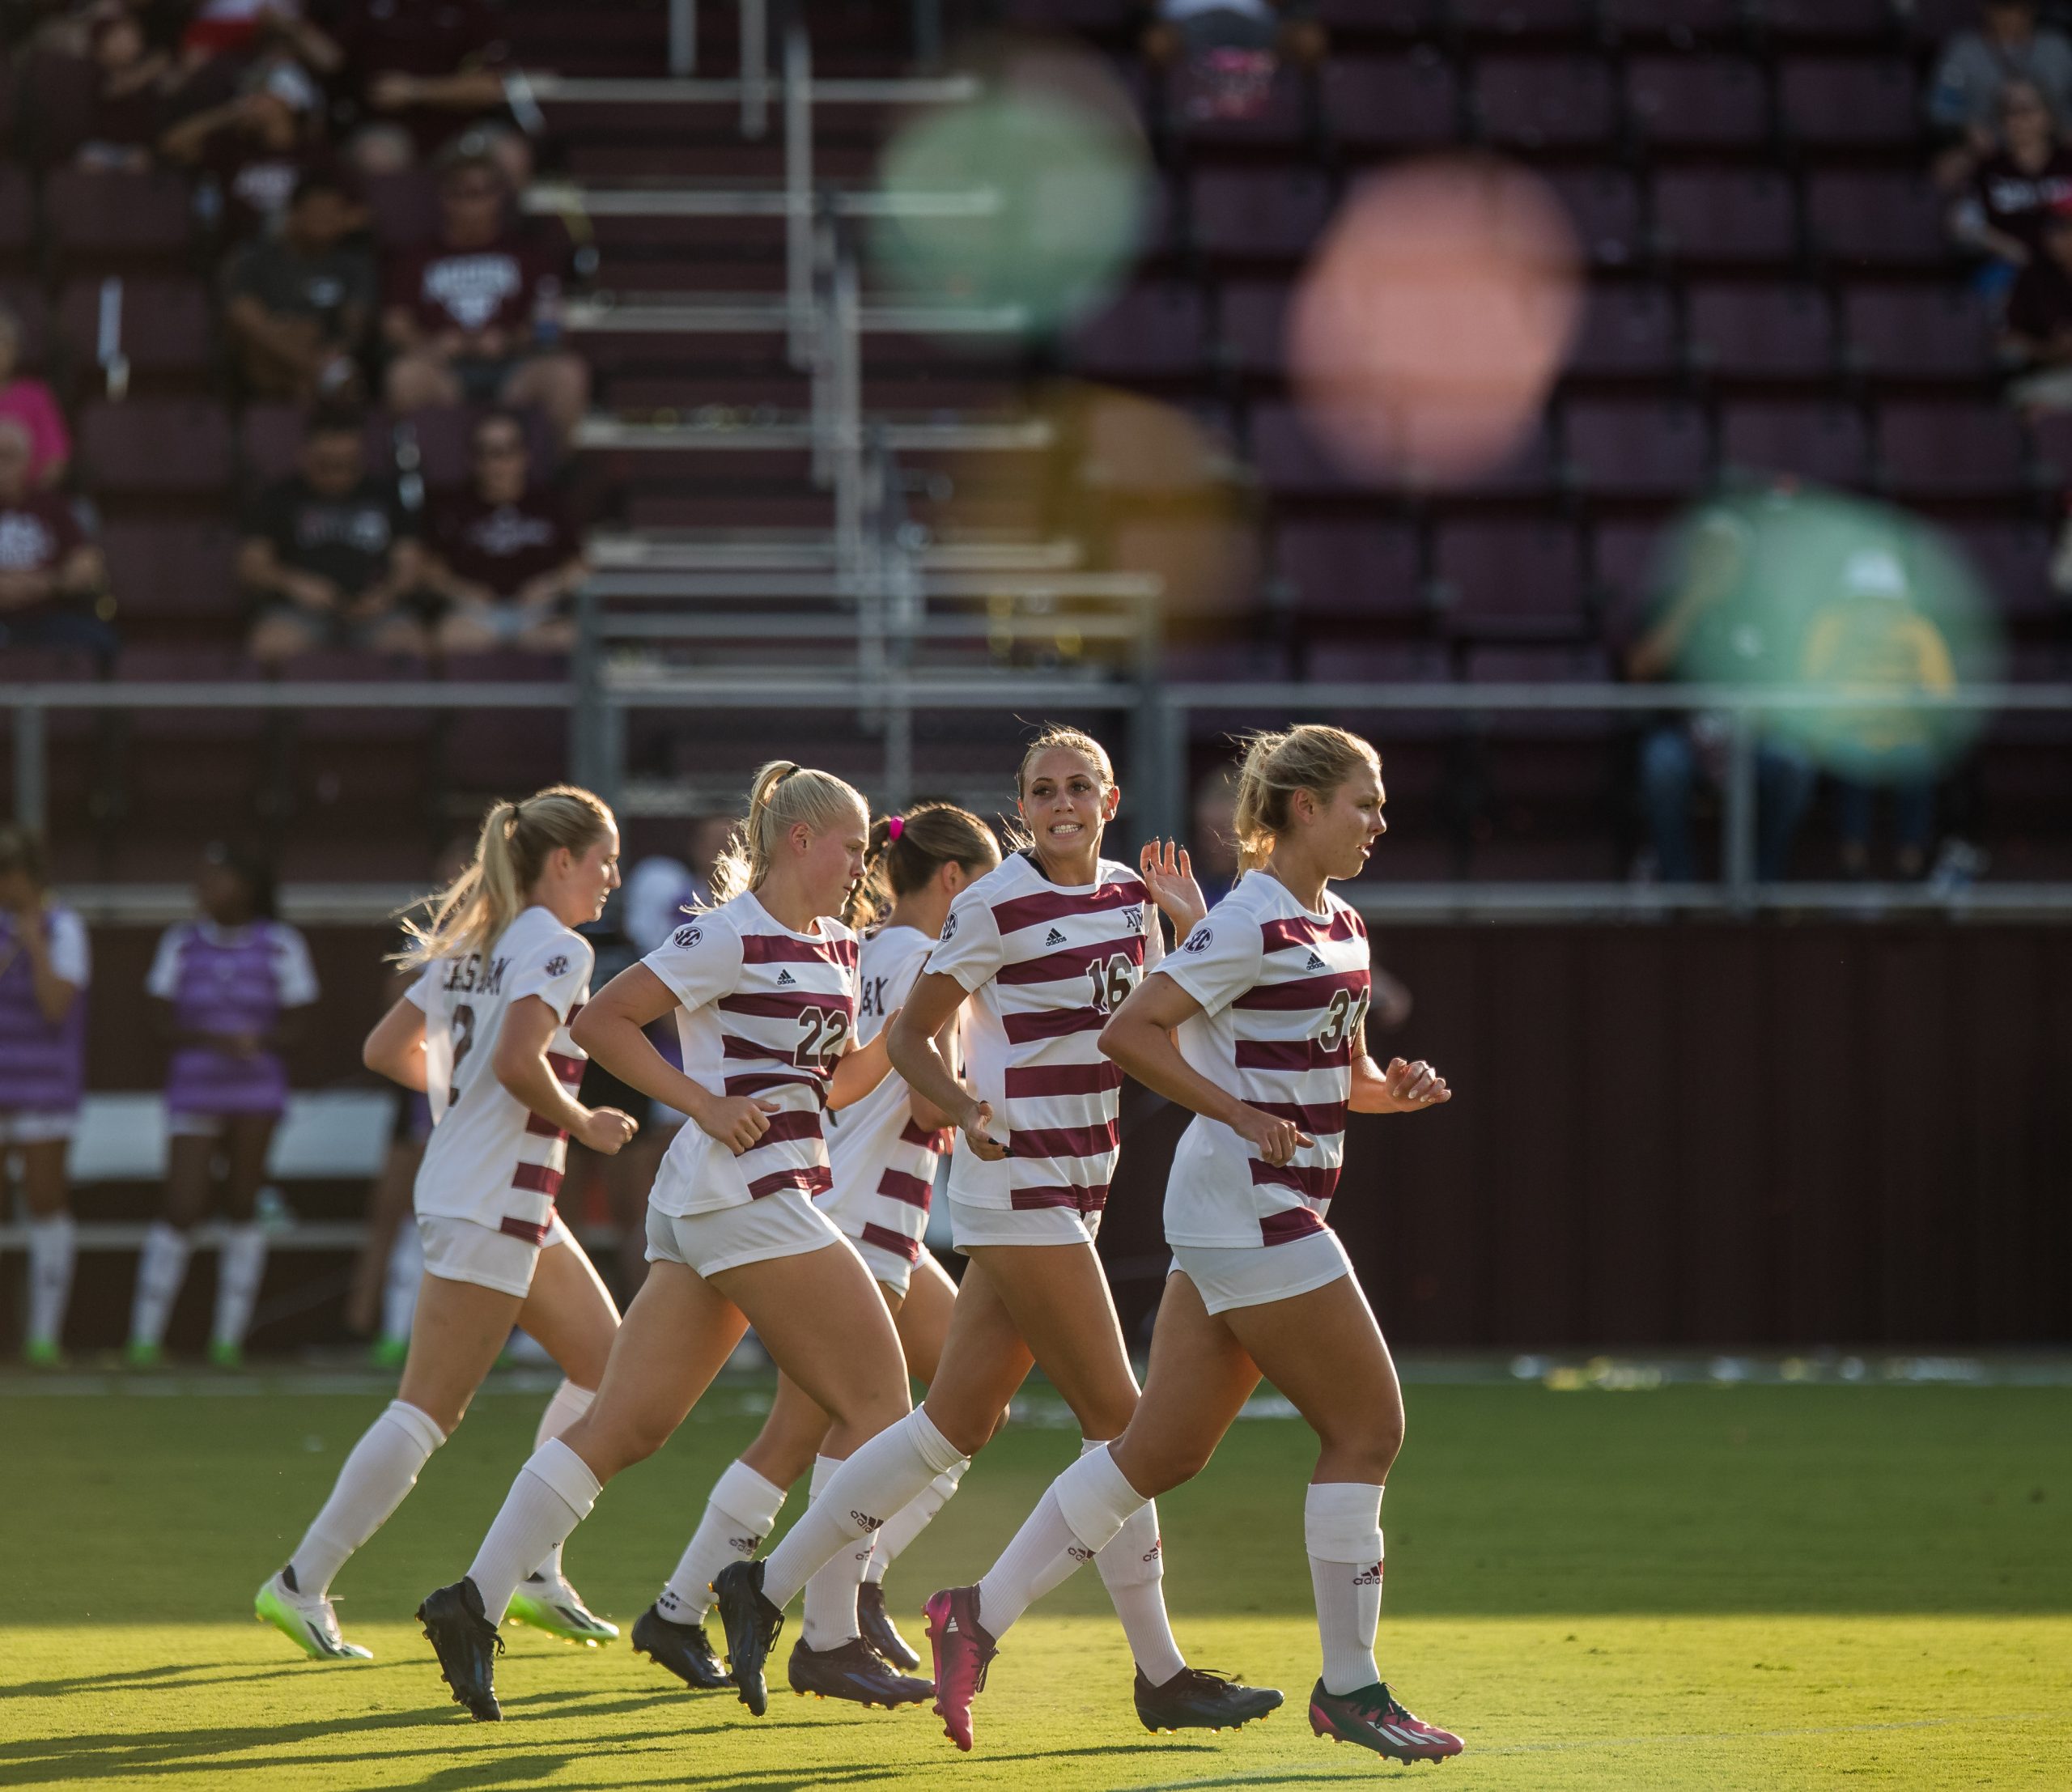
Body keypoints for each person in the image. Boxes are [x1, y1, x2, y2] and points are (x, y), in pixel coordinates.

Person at [926, 726, 1463, 1764]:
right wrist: (1239, 1113)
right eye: (1365, 802)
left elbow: (1336, 1075)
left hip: (1252, 1204)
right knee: (1368, 1427)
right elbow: (1132, 1032)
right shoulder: (1249, 918)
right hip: (1250, 1206)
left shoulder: (1339, 920)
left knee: (1158, 1451)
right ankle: (1352, 1689)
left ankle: (975, 1613)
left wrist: (1387, 1095)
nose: (1380, 821)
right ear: (1303, 808)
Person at [413, 762, 927, 1723]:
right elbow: (605, 1019)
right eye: (854, 843)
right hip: (745, 1195)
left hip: (726, 1199)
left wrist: (907, 1025)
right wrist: (702, 1102)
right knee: (879, 1405)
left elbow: (833, 1089)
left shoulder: (838, 948)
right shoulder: (727, 934)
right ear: (799, 840)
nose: (865, 861)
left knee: (624, 1428)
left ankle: (472, 1602)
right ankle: (824, 1637)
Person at [818, 724, 1280, 1748]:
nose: (1062, 802)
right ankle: (1123, 1663)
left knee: (951, 1424)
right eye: (1042, 789)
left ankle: (769, 1591)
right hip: (1012, 1182)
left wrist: (1190, 931)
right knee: (1125, 1428)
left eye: (1080, 786)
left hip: (1079, 1182)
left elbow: (1165, 1030)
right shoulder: (987, 901)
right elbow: (908, 1037)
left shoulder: (1128, 895)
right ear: (1018, 808)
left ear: (1110, 800)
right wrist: (958, 1107)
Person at [256, 786, 636, 1661]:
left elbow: (386, 1050)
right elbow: (514, 1060)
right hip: (494, 1198)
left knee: (605, 1366)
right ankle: (300, 1584)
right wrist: (581, 1123)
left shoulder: (481, 940)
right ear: (562, 860)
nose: (612, 875)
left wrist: (459, 1102)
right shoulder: (556, 945)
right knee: (426, 1411)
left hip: (494, 1194)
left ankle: (537, 1571)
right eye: (604, 857)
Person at [635, 802, 1001, 1701]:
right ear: (954, 881)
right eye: (991, 884)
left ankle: (709, 1608)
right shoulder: (928, 962)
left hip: (845, 1208)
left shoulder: (860, 946)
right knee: (897, 1420)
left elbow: (839, 1081)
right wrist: (980, 1100)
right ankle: (831, 1611)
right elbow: (922, 1103)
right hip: (860, 1216)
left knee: (885, 1421)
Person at [128, 844, 318, 1369]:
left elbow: (301, 1022)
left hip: (257, 1090)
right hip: (194, 1086)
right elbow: (157, 1016)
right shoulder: (181, 943)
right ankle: (145, 1338)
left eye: (215, 881)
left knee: (243, 1202)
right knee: (182, 1205)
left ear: (246, 887)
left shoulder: (282, 945)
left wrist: (261, 1040)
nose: (204, 891)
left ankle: (227, 1340)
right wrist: (211, 1037)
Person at [1626, 490, 1817, 884]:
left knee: (1793, 764)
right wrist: (1693, 602)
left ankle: (1764, 881)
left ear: (1742, 559)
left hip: (1754, 733)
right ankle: (1678, 884)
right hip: (1684, 734)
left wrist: (1764, 716)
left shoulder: (1763, 610)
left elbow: (1787, 681)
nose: (1717, 561)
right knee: (1661, 764)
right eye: (1707, 552)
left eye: (1726, 552)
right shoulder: (1670, 603)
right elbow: (1640, 669)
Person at [381, 150, 588, 448]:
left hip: (512, 368)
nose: (471, 204)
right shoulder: (416, 258)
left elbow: (549, 322)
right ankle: (418, 480)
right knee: (404, 376)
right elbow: (394, 323)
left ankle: (555, 475)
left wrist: (508, 340)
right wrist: (430, 345)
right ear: (444, 199)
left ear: (499, 197)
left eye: (480, 193)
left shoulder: (528, 255)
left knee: (568, 373)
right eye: (460, 194)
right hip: (444, 370)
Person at [1801, 550, 1959, 881]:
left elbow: (1943, 696)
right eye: (1864, 600)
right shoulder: (1831, 627)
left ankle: (1910, 867)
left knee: (1917, 761)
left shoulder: (1918, 632)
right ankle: (1852, 866)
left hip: (1907, 735)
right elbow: (1811, 689)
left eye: (1882, 600)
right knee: (1854, 760)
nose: (1873, 609)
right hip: (1846, 733)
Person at [0, 826, 89, 1368]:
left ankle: (44, 1334)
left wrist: (32, 942)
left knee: (45, 1200)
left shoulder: (65, 928)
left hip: (45, 1085)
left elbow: (57, 1005)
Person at [240, 409, 426, 663]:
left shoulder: (385, 495)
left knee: (409, 646)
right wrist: (294, 584)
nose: (338, 474)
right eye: (327, 464)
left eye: (349, 464)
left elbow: (410, 564)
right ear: (304, 456)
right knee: (270, 643)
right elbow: (252, 564)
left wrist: (384, 597)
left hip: (376, 610)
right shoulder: (278, 497)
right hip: (300, 611)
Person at [422, 412, 586, 653]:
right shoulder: (452, 505)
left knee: (571, 637)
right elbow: (428, 569)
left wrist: (551, 585)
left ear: (524, 456)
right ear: (473, 461)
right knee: (446, 638)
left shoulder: (550, 503)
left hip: (539, 613)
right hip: (475, 614)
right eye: (486, 453)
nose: (497, 464)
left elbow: (580, 565)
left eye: (507, 451)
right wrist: (462, 591)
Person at [221, 171, 376, 402]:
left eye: (332, 213)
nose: (324, 220)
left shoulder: (354, 265)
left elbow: (354, 327)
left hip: (328, 355)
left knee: (345, 377)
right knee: (269, 354)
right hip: (268, 354)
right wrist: (298, 350)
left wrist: (332, 350)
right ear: (294, 214)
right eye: (317, 212)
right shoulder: (258, 259)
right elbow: (242, 315)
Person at [0, 419, 112, 664]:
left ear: (28, 461)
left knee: (102, 642)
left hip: (46, 615)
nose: (2, 466)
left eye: (10, 457)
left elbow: (87, 564)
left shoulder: (53, 506)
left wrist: (46, 584)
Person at [1928, 1, 2072, 171]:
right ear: (1985, 9)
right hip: (1989, 145)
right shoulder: (1964, 50)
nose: (2009, 17)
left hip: (2050, 143)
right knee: (1948, 169)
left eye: (2018, 9)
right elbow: (1941, 106)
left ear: (2032, 9)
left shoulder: (2056, 47)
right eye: (2000, 9)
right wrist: (1967, 128)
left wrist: (2065, 126)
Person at [1952, 80, 2072, 274]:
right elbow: (1962, 224)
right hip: (2007, 267)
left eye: (2027, 110)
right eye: (2009, 112)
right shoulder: (1988, 168)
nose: (2018, 119)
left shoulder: (2067, 162)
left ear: (2048, 115)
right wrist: (2006, 248)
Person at [0, 304, 71, 490]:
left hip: (26, 502)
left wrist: (23, 493)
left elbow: (56, 461)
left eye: (3, 342)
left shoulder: (36, 396)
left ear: (15, 349)